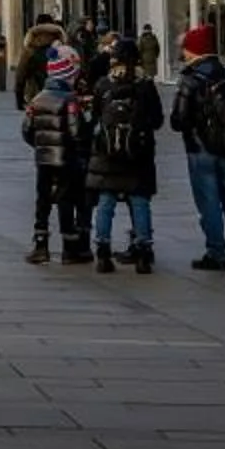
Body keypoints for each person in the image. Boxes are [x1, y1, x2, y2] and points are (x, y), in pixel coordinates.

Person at [168, 23, 225, 271]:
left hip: (200, 148)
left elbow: (179, 120)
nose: (183, 52)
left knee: (209, 201)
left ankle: (216, 252)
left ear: (194, 50)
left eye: (186, 48)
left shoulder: (191, 78)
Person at [83, 33, 162, 274]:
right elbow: (157, 120)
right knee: (139, 201)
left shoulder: (104, 85)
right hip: (137, 154)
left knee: (106, 201)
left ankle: (103, 252)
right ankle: (143, 251)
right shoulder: (144, 85)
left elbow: (95, 116)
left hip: (107, 154)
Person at [20, 44, 92, 266]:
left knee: (43, 200)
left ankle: (41, 244)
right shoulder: (70, 101)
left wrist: (41, 145)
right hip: (66, 160)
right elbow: (75, 132)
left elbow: (27, 130)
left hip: (43, 159)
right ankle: (70, 247)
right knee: (66, 200)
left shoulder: (37, 99)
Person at [12, 19, 67, 108]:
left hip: (36, 96)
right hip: (60, 95)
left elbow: (20, 77)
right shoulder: (63, 50)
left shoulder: (30, 51)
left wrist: (19, 101)